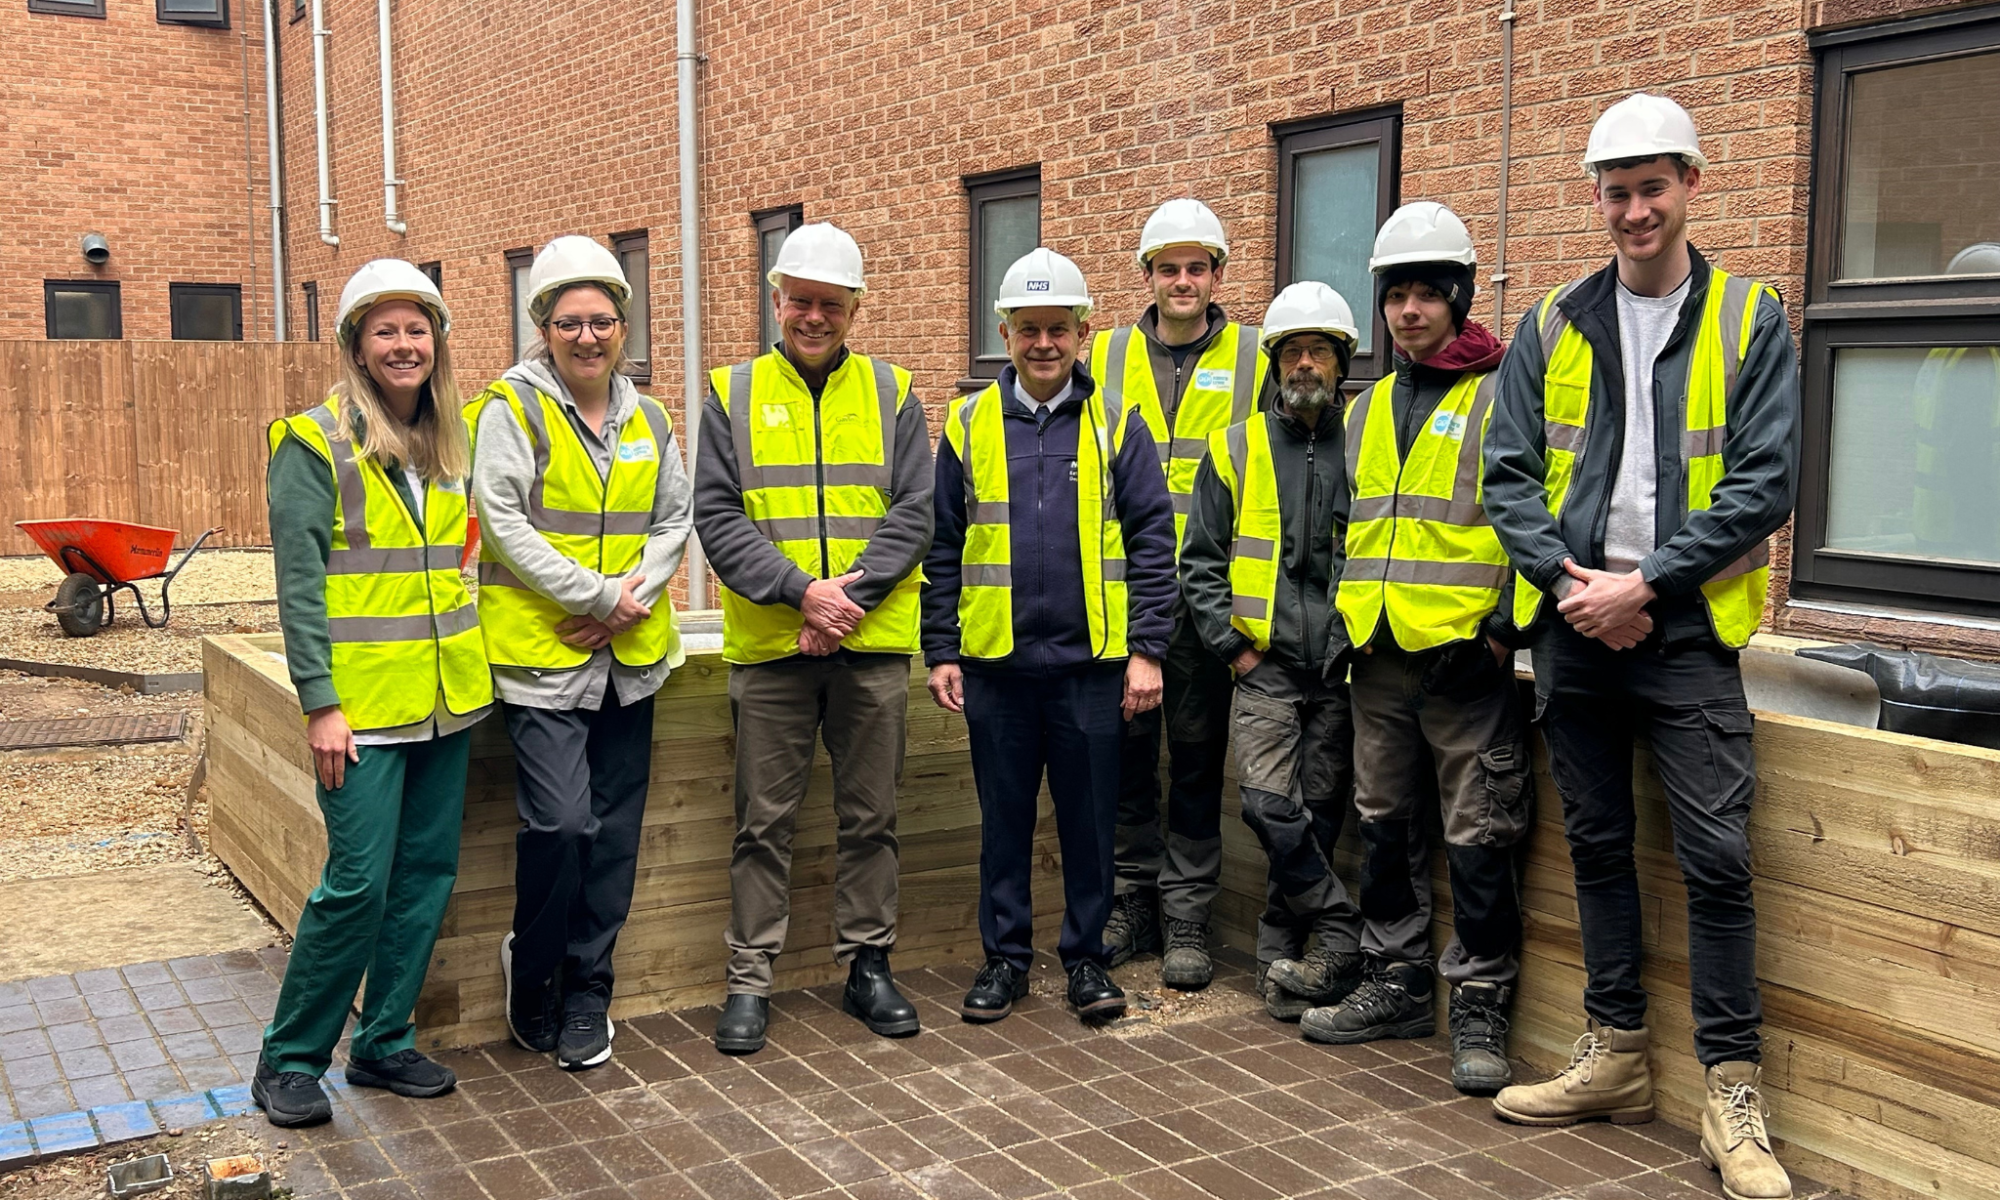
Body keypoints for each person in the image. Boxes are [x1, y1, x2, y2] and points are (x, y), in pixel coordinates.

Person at [1482, 93, 1800, 1200]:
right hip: (1575, 630)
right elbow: (1507, 478)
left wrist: (1644, 589)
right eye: (1614, 193)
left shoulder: (1748, 318)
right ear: (1597, 200)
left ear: (1688, 186)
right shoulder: (1554, 321)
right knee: (1599, 850)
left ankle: (1730, 1095)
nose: (1632, 211)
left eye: (1650, 188)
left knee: (1715, 866)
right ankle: (1612, 1054)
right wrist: (1572, 586)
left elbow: (1765, 483)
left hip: (1684, 638)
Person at [1298, 202, 1527, 1098]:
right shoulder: (1369, 408)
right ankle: (1395, 979)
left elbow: (1531, 523)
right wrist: (1344, 630)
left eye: (1430, 293)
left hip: (1466, 663)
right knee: (1383, 828)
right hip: (1379, 658)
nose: (1411, 311)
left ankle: (1478, 998)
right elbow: (1357, 531)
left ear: (1462, 298)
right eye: (1397, 294)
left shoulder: (1505, 393)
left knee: (1479, 835)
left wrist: (1505, 633)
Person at [256, 259, 491, 1126]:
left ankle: (384, 1043)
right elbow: (300, 587)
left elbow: (463, 566)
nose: (405, 345)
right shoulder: (313, 443)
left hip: (446, 699)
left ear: (437, 341)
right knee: (356, 885)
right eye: (386, 331)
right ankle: (288, 1058)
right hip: (360, 712)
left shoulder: (450, 442)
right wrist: (320, 702)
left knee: (426, 875)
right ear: (357, 343)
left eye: (417, 329)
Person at [694, 222, 933, 1054]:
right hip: (772, 648)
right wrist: (802, 595)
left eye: (830, 304)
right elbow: (716, 516)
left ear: (856, 307)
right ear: (776, 299)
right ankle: (749, 980)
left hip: (865, 645)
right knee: (762, 822)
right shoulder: (729, 393)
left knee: (873, 818)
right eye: (800, 301)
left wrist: (844, 604)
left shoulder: (895, 392)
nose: (813, 317)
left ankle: (869, 966)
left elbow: (915, 513)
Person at [924, 248, 1177, 1025]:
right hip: (995, 667)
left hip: (1091, 670)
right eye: (1027, 328)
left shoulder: (1115, 422)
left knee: (1090, 826)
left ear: (1082, 330)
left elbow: (1151, 541)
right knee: (1002, 823)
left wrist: (1147, 650)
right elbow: (943, 547)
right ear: (1005, 331)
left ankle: (1088, 962)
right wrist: (941, 649)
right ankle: (1004, 962)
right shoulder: (967, 423)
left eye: (1057, 329)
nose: (1043, 343)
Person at [472, 236, 692, 1071]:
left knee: (615, 838)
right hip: (544, 661)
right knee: (562, 824)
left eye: (603, 320)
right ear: (543, 326)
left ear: (623, 325)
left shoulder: (651, 416)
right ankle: (534, 976)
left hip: (631, 663)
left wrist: (626, 601)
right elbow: (503, 521)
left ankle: (588, 990)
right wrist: (597, 598)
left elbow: (674, 521)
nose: (588, 336)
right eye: (570, 321)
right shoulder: (512, 409)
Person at [1179, 281, 1370, 1026]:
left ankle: (1280, 953)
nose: (1306, 364)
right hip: (1264, 667)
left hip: (1340, 666)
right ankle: (1337, 924)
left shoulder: (1368, 442)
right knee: (1265, 802)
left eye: (1319, 350)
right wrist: (1235, 650)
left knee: (1320, 810)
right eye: (1294, 351)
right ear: (1275, 363)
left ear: (1341, 361)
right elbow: (1198, 562)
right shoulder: (1236, 446)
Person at [1093, 199, 1269, 990]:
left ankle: (1189, 912)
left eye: (1198, 267)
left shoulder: (1259, 358)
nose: (1184, 281)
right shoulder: (1103, 356)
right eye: (1169, 268)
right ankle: (1136, 901)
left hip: (1207, 600)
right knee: (1128, 762)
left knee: (1196, 761)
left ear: (1217, 275)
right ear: (1148, 276)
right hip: (1124, 594)